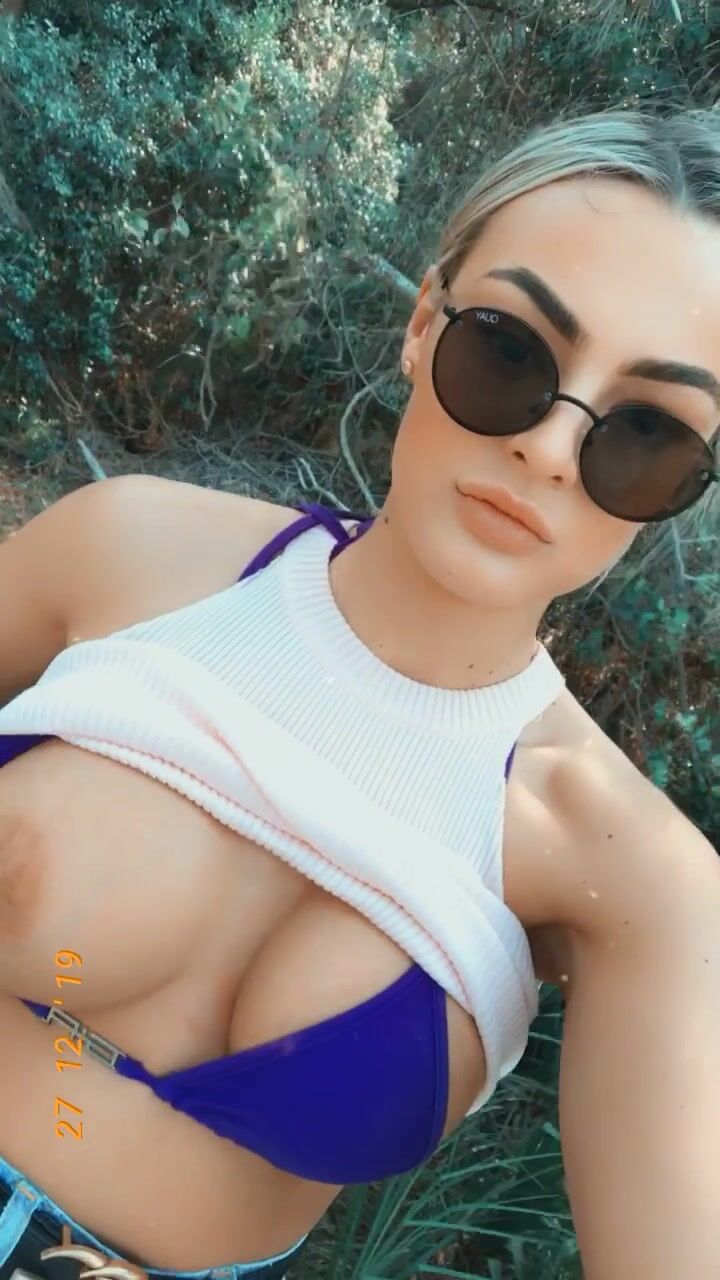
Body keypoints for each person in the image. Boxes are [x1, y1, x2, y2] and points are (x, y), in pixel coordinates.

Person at [0, 104, 718, 1280]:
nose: (547, 449)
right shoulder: (126, 551)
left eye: (646, 431)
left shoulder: (632, 875)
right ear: (423, 323)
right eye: (510, 351)